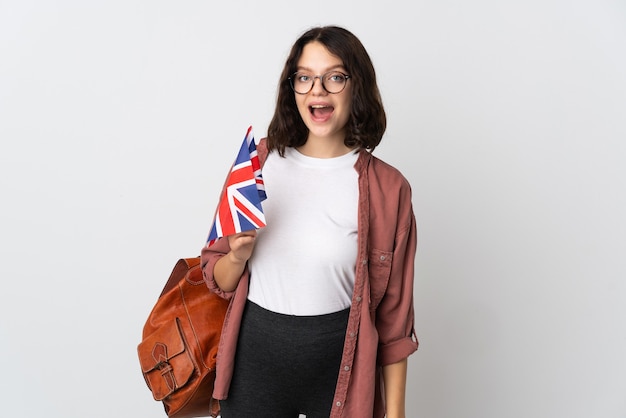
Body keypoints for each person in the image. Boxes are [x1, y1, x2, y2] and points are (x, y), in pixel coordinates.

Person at [201, 25, 418, 418]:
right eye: (304, 77)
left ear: (357, 86)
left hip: (342, 369)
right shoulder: (257, 164)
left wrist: (396, 412)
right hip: (255, 364)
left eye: (334, 77)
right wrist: (236, 255)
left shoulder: (389, 189)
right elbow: (216, 277)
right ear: (292, 88)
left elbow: (395, 318)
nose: (318, 90)